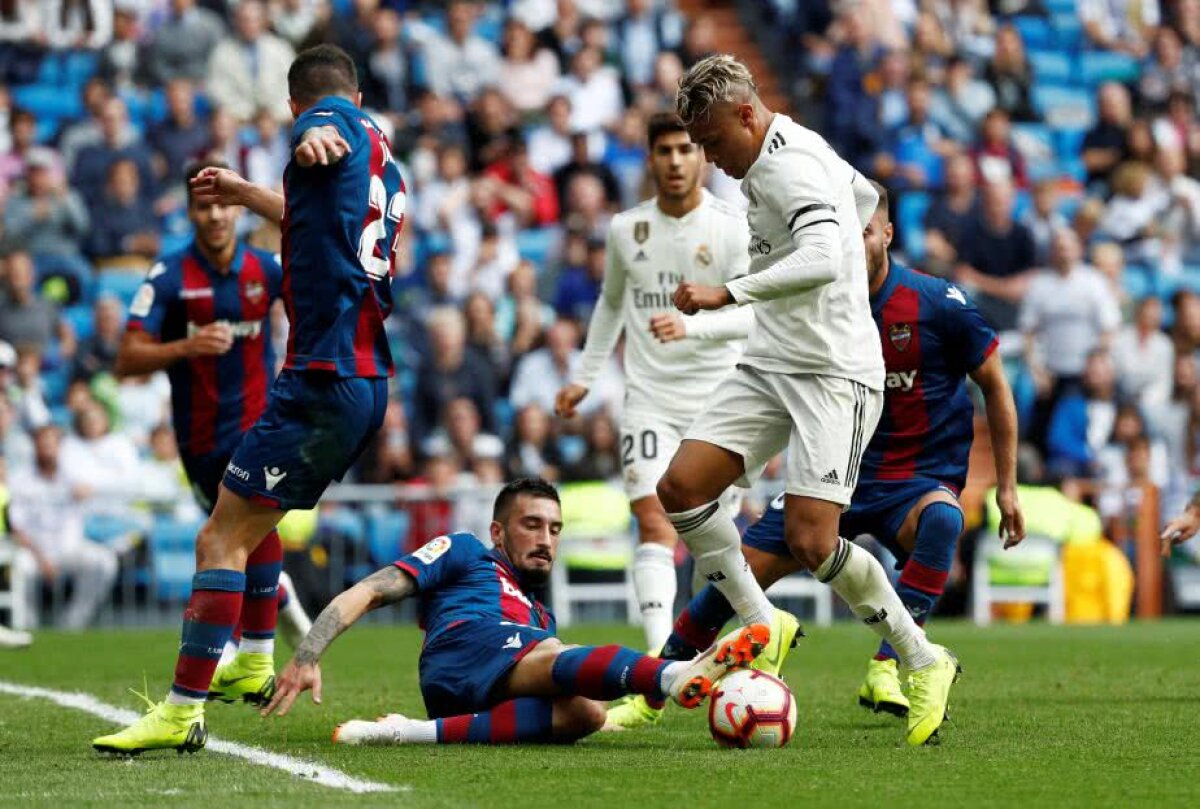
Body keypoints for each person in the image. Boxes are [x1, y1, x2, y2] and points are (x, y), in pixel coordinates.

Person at [617, 184, 1024, 731]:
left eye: (865, 230)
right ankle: (652, 690)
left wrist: (1008, 487)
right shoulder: (815, 305)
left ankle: (892, 666)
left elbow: (995, 384)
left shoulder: (936, 303)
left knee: (943, 520)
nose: (854, 241)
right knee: (732, 580)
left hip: (915, 478)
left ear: (887, 234)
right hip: (832, 470)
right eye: (844, 232)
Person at [93, 45, 404, 755]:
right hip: (363, 380)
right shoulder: (384, 158)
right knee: (247, 530)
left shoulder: (329, 125)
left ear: (298, 103)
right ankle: (256, 660)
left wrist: (310, 133)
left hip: (320, 379)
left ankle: (181, 710)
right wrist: (242, 190)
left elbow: (320, 131)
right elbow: (307, 216)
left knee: (219, 539)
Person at [664, 54, 959, 747]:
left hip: (833, 370)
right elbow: (862, 199)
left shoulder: (789, 163)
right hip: (773, 358)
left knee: (811, 541)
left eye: (712, 141)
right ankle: (761, 619)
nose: (708, 159)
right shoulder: (798, 150)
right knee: (680, 487)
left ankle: (922, 658)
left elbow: (825, 256)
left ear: (746, 115)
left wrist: (729, 291)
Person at [262, 478, 770, 745]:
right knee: (555, 655)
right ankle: (674, 675)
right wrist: (307, 653)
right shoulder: (466, 551)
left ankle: (407, 731)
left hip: (480, 689)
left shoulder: (540, 615)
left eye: (554, 529)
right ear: (498, 532)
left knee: (585, 714)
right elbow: (370, 590)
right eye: (532, 525)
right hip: (463, 646)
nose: (546, 539)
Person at [553, 112, 763, 659]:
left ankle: (708, 648)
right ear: (649, 159)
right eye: (664, 151)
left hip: (720, 400)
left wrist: (692, 326)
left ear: (702, 158)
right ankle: (658, 662)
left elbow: (754, 315)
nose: (675, 161)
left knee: (711, 535)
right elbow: (611, 304)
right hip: (649, 398)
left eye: (685, 150)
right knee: (653, 521)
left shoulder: (731, 227)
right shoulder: (627, 229)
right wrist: (583, 378)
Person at [114, 155, 312, 676]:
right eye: (205, 207)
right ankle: (280, 601)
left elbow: (312, 295)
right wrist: (187, 346)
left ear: (238, 209)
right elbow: (126, 358)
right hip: (198, 438)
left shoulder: (265, 270)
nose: (217, 215)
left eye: (225, 204)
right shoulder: (170, 275)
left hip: (257, 428)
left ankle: (237, 647)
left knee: (238, 531)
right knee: (237, 539)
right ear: (190, 212)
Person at [10, 425, 119, 631]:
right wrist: (42, 559)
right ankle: (26, 624)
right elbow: (16, 527)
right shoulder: (20, 480)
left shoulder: (74, 476)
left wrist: (90, 490)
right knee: (20, 568)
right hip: (33, 551)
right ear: (35, 447)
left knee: (103, 561)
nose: (48, 449)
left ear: (60, 447)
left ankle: (73, 623)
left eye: (52, 444)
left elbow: (111, 491)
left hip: (70, 549)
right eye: (43, 444)